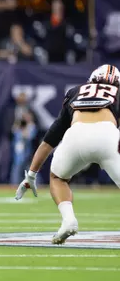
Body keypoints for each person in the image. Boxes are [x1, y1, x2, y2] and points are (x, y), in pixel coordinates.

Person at [16, 64, 120, 245]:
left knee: (58, 177)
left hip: (76, 135)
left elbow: (50, 139)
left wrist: (31, 175)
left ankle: (68, 220)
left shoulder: (75, 91)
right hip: (108, 136)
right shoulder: (117, 92)